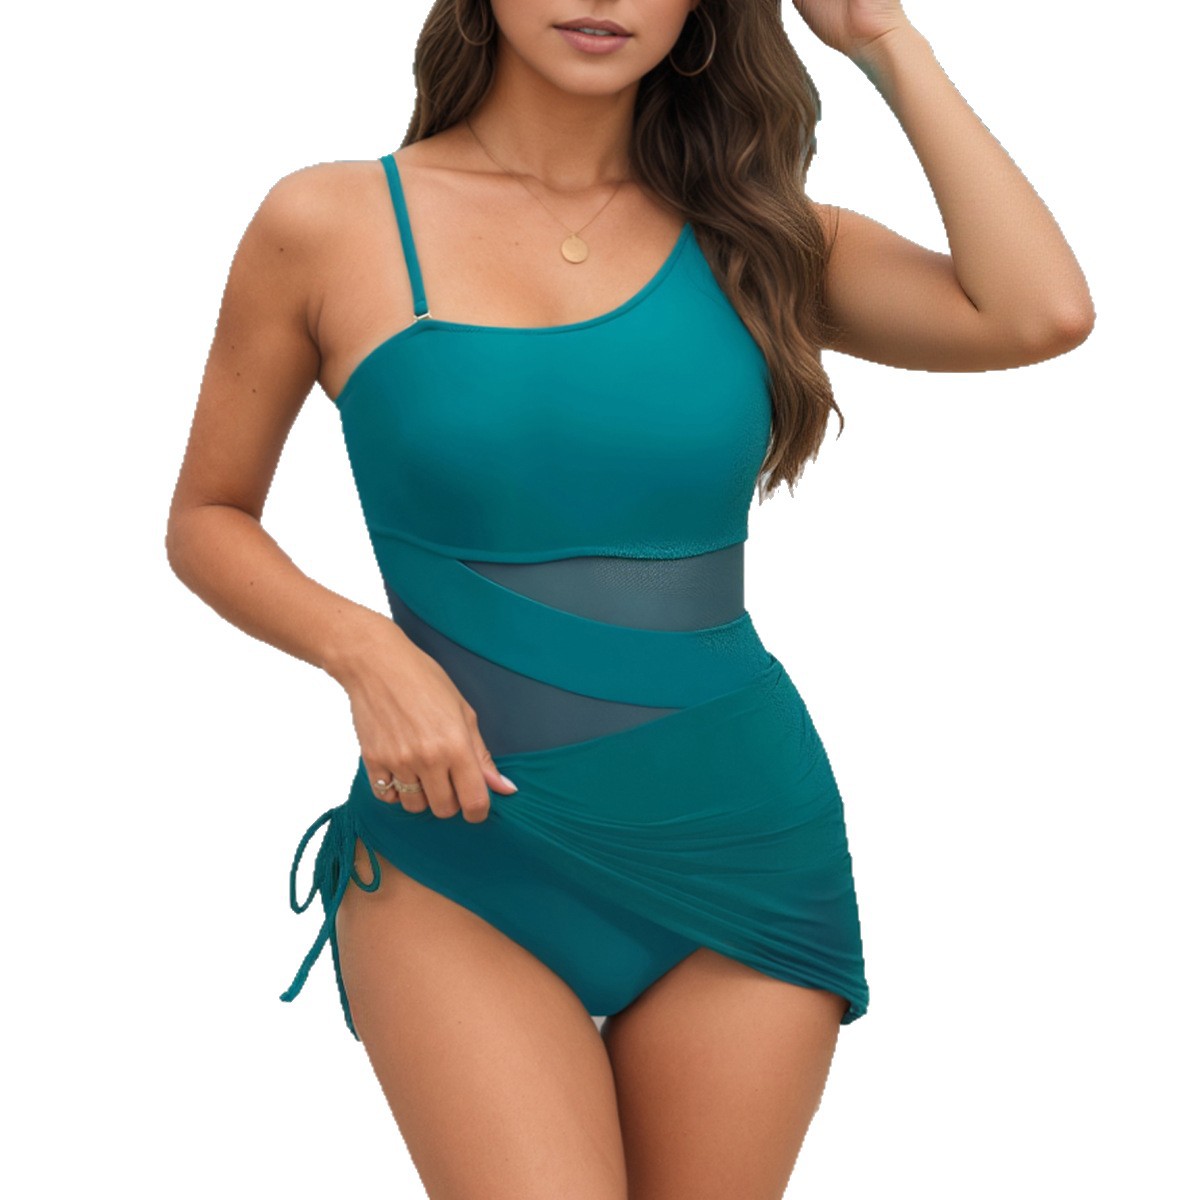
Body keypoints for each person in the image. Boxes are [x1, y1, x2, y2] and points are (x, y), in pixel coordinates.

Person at [166, 1, 1093, 1196]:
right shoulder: (331, 220)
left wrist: (881, 41)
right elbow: (209, 516)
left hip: (741, 841)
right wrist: (363, 649)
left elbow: (1037, 312)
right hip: (460, 852)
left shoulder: (759, 236)